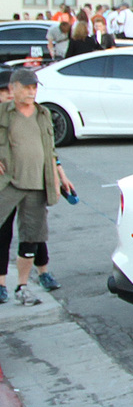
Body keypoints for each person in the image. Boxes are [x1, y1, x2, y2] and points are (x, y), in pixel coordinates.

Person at [0, 70, 73, 305]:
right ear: (14, 88)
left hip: (36, 184)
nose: (32, 91)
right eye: (27, 87)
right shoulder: (4, 113)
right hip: (8, 183)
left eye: (35, 87)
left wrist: (59, 176)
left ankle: (23, 285)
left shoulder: (42, 114)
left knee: (33, 236)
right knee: (2, 232)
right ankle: (1, 284)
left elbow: (50, 149)